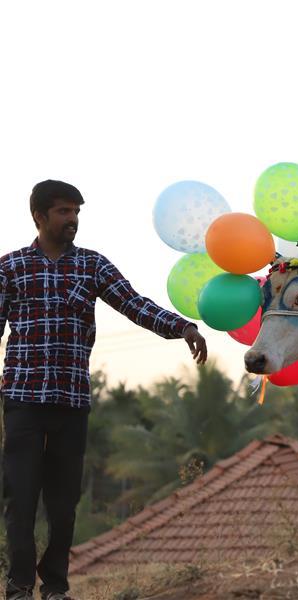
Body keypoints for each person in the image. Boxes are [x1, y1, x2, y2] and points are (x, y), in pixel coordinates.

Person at [0, 180, 207, 600]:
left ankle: (55, 587)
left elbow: (134, 304)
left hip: (72, 403)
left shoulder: (92, 266)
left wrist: (182, 326)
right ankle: (20, 585)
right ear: (39, 216)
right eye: (63, 212)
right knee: (20, 501)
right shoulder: (10, 268)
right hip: (21, 401)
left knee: (63, 505)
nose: (72, 219)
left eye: (76, 211)